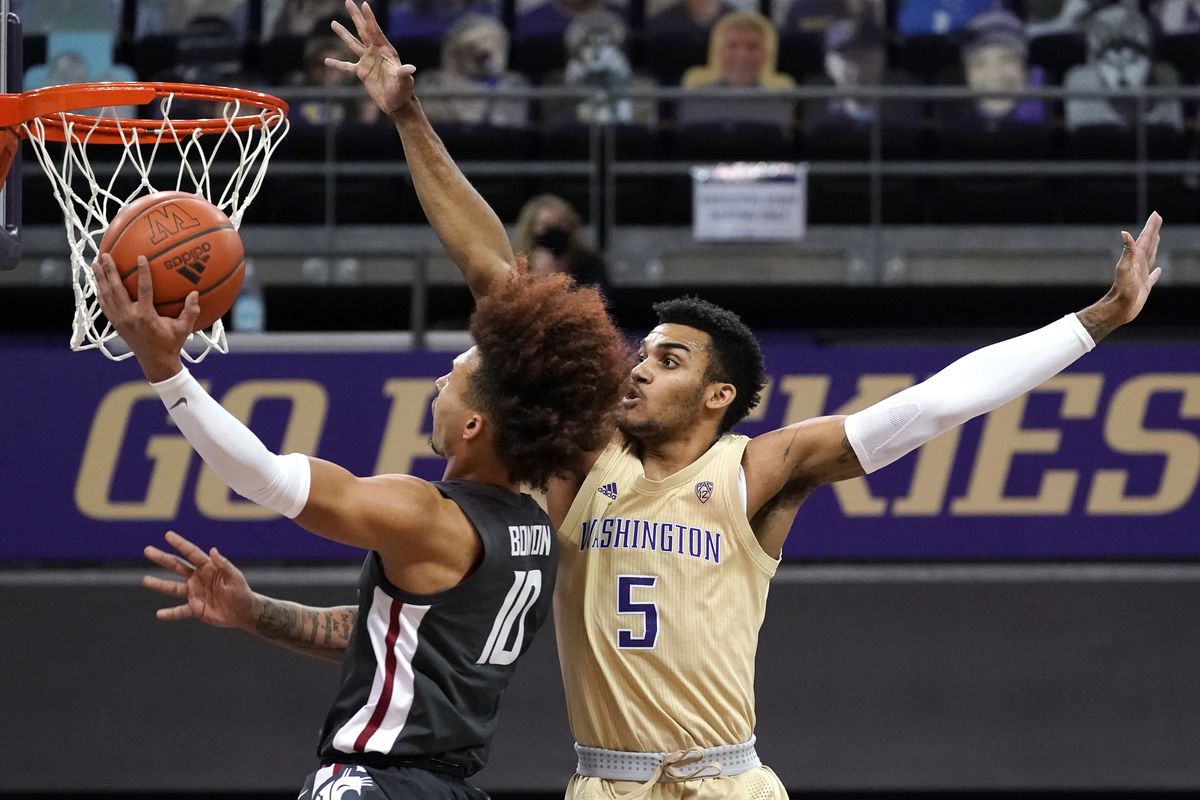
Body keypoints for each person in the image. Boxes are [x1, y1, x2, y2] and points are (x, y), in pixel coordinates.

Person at [329, 3, 1166, 797]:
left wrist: (1096, 320)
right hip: (605, 778)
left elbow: (938, 403)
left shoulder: (759, 469)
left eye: (668, 359)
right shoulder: (584, 457)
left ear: (717, 394)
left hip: (724, 777)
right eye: (643, 352)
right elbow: (498, 280)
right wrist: (410, 117)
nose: (638, 368)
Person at [92, 37, 628, 798]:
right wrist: (256, 613)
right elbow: (387, 636)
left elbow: (269, 479)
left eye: (458, 374)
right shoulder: (537, 518)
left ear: (477, 425)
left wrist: (167, 373)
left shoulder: (428, 514)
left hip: (377, 785)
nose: (443, 374)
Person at [676, 11, 796, 132]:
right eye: (732, 46)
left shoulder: (780, 102)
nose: (742, 56)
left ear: (766, 54)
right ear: (719, 52)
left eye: (752, 47)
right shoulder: (695, 100)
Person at [513, 194, 607, 288]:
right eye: (546, 226)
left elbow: (602, 299)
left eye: (561, 224)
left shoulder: (590, 265)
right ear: (530, 229)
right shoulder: (516, 267)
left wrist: (563, 279)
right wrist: (539, 279)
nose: (554, 232)